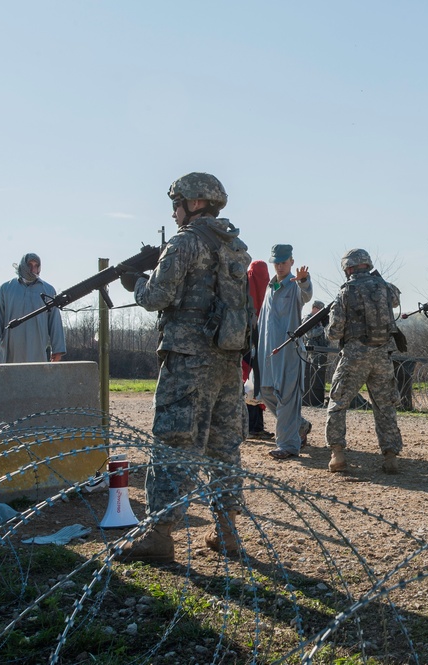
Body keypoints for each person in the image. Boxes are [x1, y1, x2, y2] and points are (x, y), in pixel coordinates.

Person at [113, 172, 251, 563]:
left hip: (188, 362)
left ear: (193, 204)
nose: (174, 213)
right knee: (224, 448)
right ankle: (227, 531)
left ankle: (158, 535)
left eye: (177, 204)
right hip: (226, 361)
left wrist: (135, 283)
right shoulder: (236, 247)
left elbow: (158, 296)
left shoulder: (186, 241)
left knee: (173, 443)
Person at [324, 249, 404, 474]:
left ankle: (337, 453)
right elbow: (396, 300)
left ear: (348, 268)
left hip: (355, 356)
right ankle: (390, 456)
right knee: (385, 405)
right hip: (382, 355)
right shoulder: (385, 287)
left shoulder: (345, 292)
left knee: (338, 402)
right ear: (367, 265)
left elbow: (334, 332)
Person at [256, 244, 314, 460]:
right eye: (277, 263)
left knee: (288, 397)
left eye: (283, 262)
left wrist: (304, 281)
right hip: (268, 353)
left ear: (291, 261)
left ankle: (288, 445)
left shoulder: (294, 285)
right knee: (266, 390)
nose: (280, 266)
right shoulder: (270, 288)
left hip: (289, 352)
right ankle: (299, 425)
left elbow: (306, 295)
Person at [0, 253, 66, 363]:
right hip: (10, 349)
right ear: (23, 266)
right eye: (29, 265)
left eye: (36, 265)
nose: (33, 269)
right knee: (8, 378)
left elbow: (54, 321)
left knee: (35, 378)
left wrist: (57, 349)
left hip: (36, 348)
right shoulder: (6, 289)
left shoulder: (48, 290)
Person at [244, 260, 271, 439]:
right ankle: (253, 426)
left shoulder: (246, 284)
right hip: (261, 339)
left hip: (247, 340)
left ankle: (254, 426)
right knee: (255, 382)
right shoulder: (270, 287)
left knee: (250, 382)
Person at [302, 300, 330, 407]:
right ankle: (309, 400)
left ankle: (318, 400)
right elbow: (309, 334)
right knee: (311, 375)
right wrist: (322, 328)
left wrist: (326, 325)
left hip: (322, 350)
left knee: (320, 376)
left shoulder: (320, 321)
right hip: (312, 351)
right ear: (315, 308)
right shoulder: (308, 319)